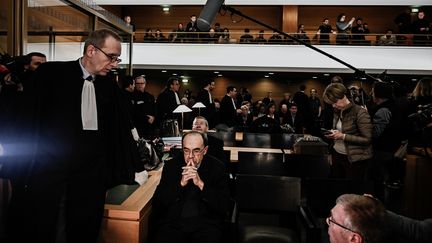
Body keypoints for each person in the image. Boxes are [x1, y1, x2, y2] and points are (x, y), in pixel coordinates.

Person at [4, 29, 141, 243]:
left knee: (83, 232)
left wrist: (109, 177)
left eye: (117, 59)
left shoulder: (109, 88)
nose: (114, 64)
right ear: (91, 51)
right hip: (48, 176)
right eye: (111, 57)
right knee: (43, 230)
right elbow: (27, 122)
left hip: (89, 182)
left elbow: (116, 136)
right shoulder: (51, 74)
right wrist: (19, 169)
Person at [150, 131, 230, 243]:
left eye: (196, 151)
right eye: (186, 150)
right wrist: (180, 184)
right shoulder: (171, 166)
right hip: (174, 224)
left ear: (205, 150)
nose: (190, 156)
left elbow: (223, 206)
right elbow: (158, 203)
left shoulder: (217, 168)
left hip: (206, 225)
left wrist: (200, 183)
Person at [323, 83, 373, 180]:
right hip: (337, 155)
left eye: (335, 102)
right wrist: (333, 134)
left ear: (343, 97)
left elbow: (367, 139)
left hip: (354, 160)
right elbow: (341, 130)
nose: (333, 106)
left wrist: (343, 136)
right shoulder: (338, 111)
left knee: (352, 191)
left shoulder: (360, 112)